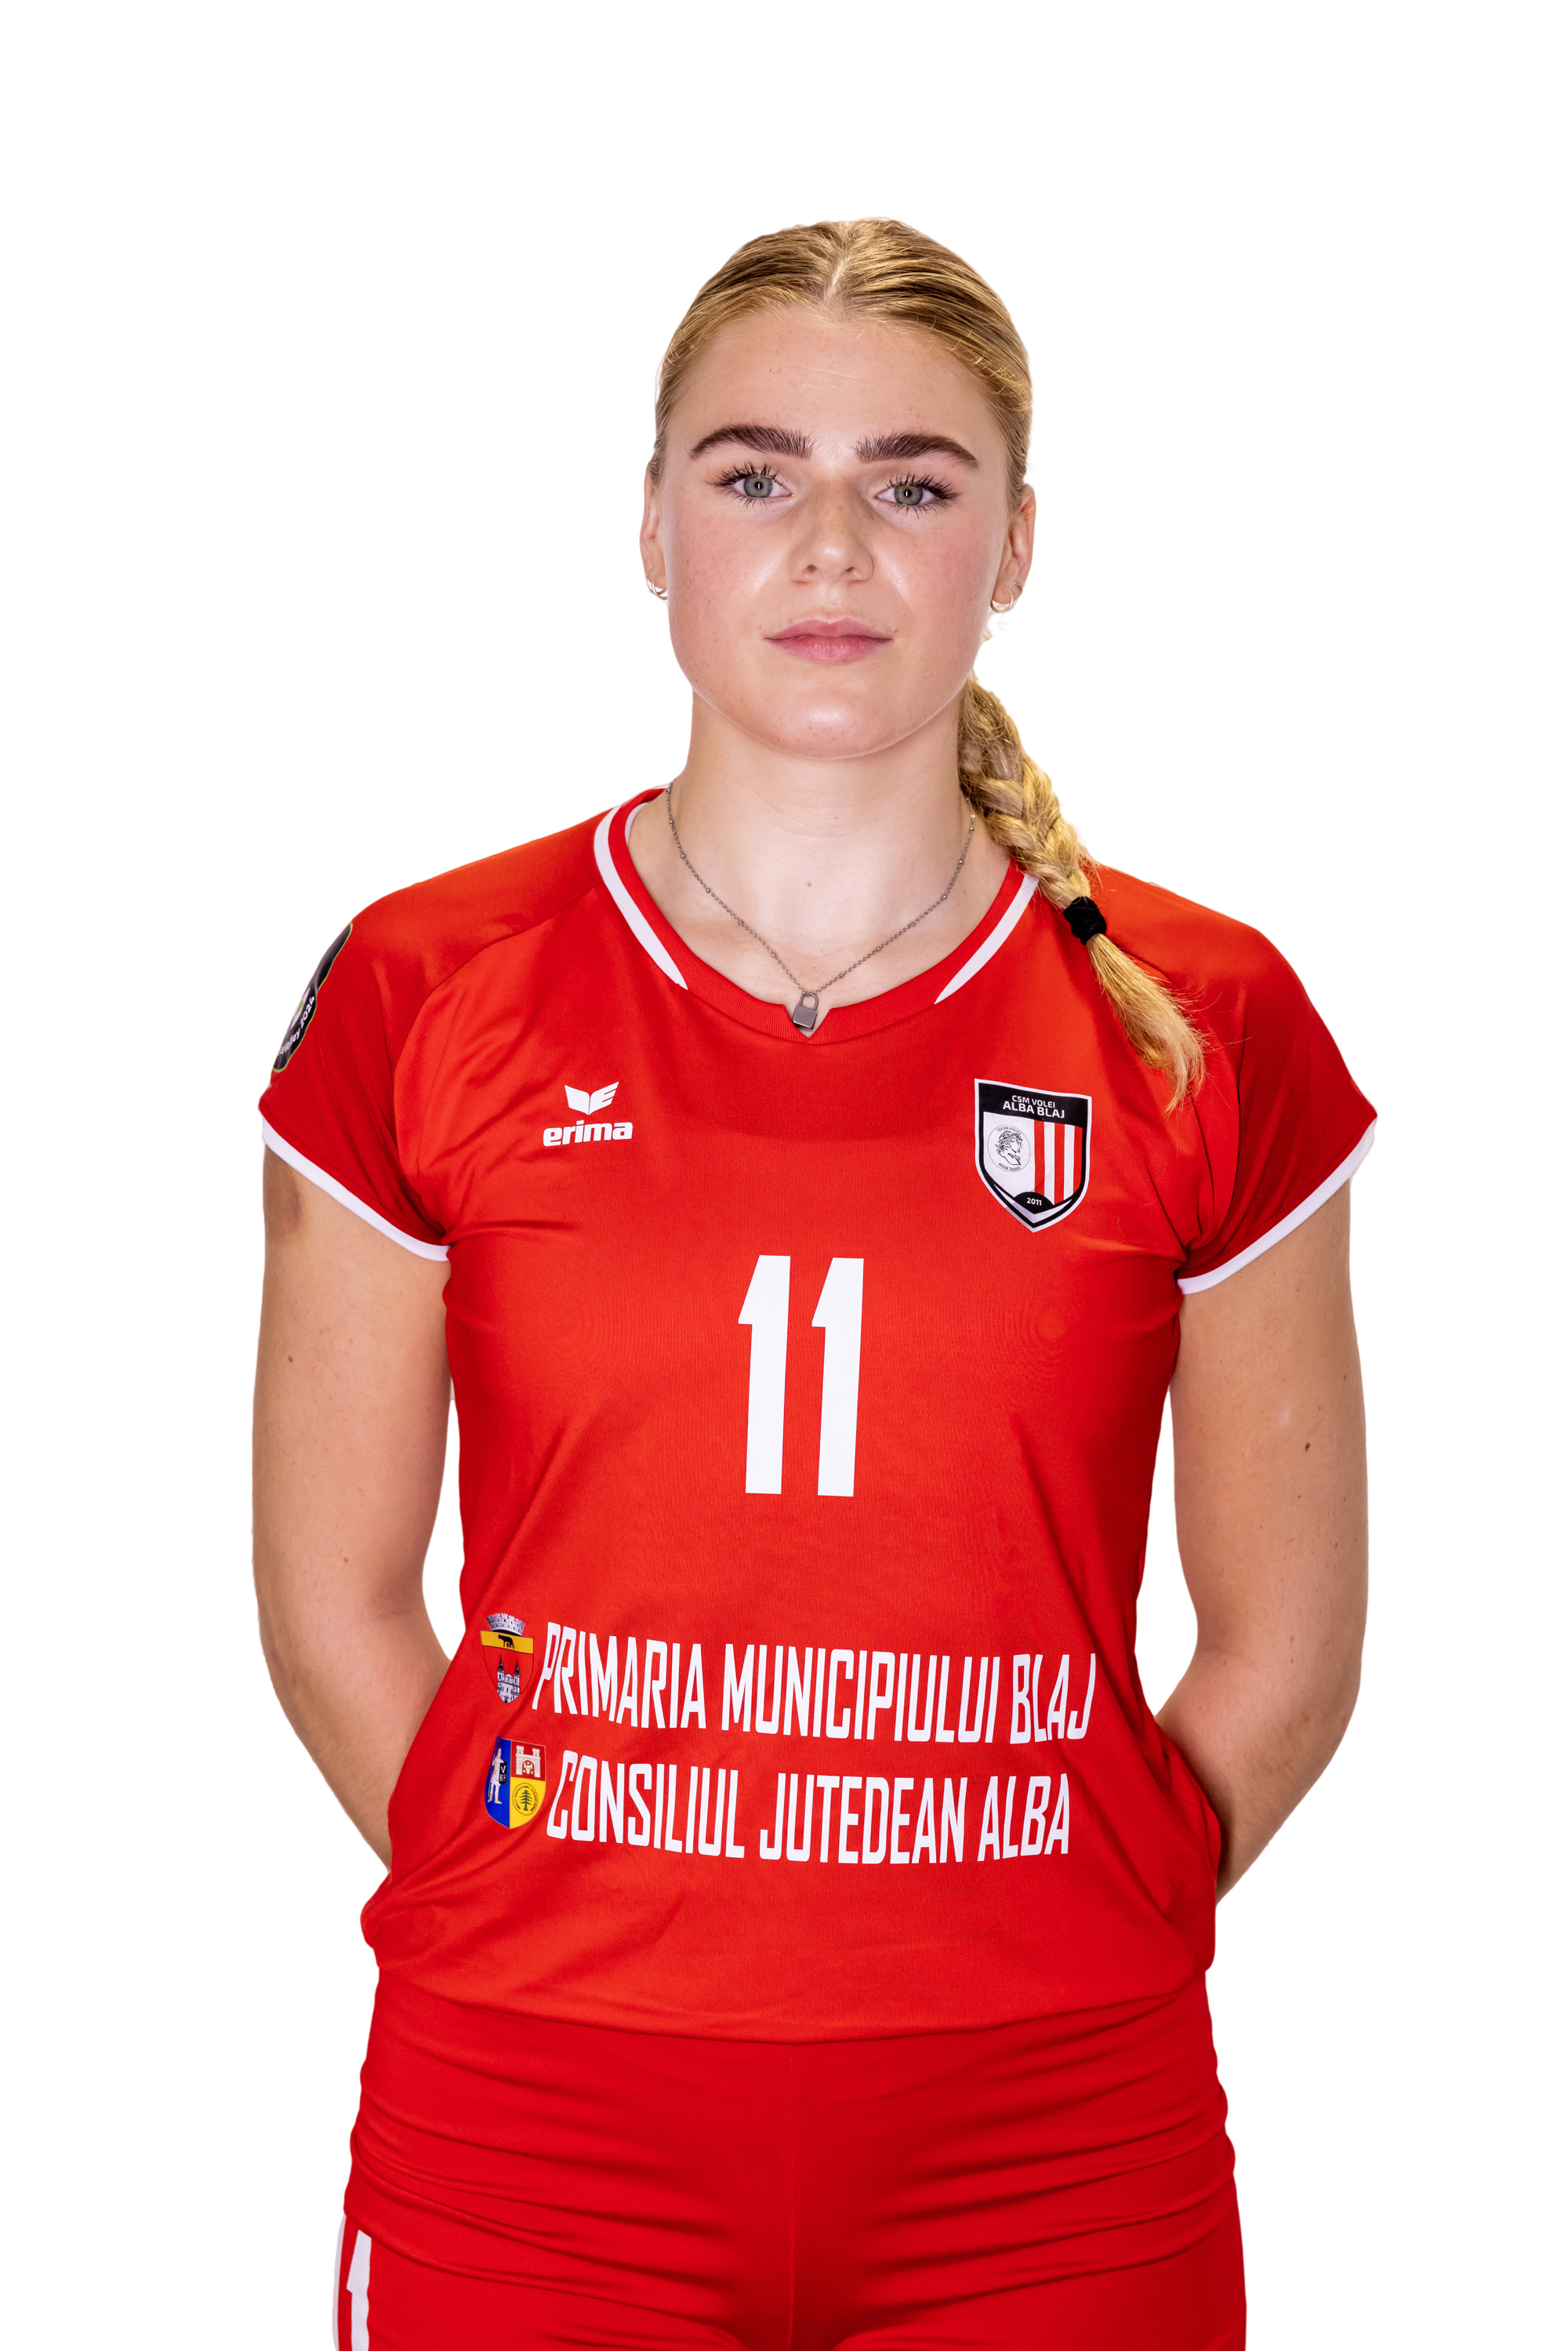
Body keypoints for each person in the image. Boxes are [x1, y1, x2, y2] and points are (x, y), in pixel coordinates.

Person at [254, 219, 1372, 2351]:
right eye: (755, 473)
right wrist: (535, 1897)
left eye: (913, 482)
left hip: (1054, 2143)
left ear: (1014, 545)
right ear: (651, 528)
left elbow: (1288, 1644)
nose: (831, 544)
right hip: (537, 2131)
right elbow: (332, 1596)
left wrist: (1064, 1916)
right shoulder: (432, 986)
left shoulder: (1197, 1019)